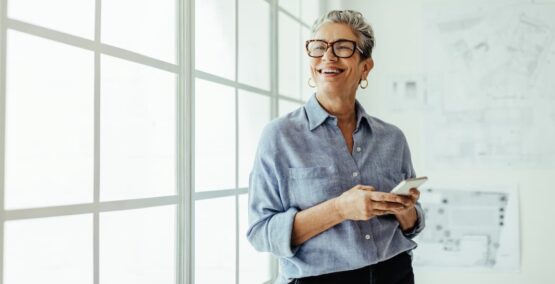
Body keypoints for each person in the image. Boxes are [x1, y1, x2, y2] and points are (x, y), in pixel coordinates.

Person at [247, 10, 425, 284]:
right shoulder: (279, 136)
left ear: (365, 67)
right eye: (319, 47)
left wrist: (405, 211)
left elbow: (412, 225)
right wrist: (340, 209)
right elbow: (261, 233)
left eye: (343, 48)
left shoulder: (393, 138)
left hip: (396, 273)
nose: (328, 56)